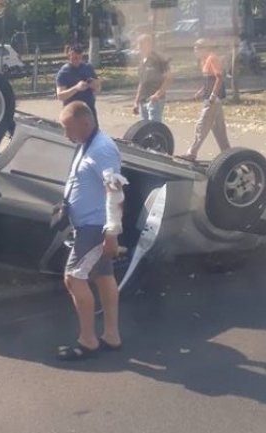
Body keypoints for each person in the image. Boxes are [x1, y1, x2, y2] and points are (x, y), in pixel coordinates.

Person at [56, 100, 124, 362]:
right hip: (92, 225)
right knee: (103, 277)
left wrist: (112, 234)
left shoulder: (103, 149)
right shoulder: (88, 143)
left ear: (85, 123)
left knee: (73, 278)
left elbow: (115, 191)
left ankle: (88, 341)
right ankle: (111, 336)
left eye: (67, 128)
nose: (65, 134)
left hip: (95, 227)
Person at [179, 39, 230, 162]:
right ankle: (228, 154)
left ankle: (192, 153)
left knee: (201, 125)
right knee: (218, 128)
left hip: (212, 99)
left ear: (205, 48)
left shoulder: (212, 58)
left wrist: (213, 95)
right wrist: (201, 91)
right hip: (210, 97)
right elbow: (209, 81)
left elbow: (219, 77)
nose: (195, 51)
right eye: (195, 48)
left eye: (197, 48)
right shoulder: (204, 61)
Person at [56, 45, 101, 125]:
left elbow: (98, 88)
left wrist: (93, 85)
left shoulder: (88, 68)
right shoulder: (64, 72)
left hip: (89, 111)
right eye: (74, 58)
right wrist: (76, 88)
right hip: (73, 113)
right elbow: (60, 96)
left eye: (79, 58)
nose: (77, 61)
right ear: (69, 56)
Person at [133, 34, 172, 122]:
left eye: (142, 44)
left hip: (155, 100)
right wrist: (136, 101)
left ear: (150, 45)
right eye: (139, 44)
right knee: (145, 129)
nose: (140, 47)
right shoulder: (142, 62)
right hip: (143, 100)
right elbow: (141, 83)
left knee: (154, 127)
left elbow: (168, 79)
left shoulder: (160, 60)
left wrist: (157, 95)